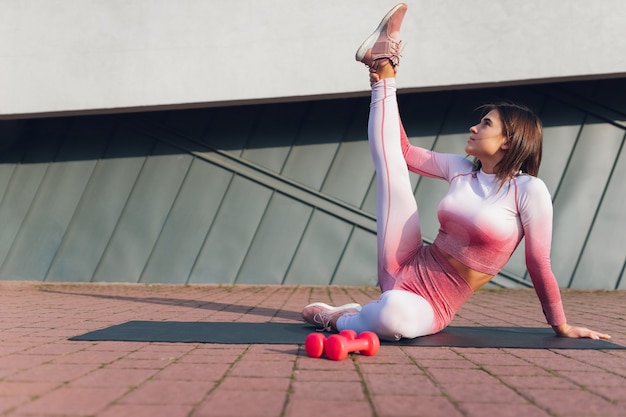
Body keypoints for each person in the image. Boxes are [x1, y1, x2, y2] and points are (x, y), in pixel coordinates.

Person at [301, 3, 611, 342]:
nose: (474, 128)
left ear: (509, 142)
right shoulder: (462, 170)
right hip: (404, 262)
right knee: (392, 168)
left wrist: (560, 324)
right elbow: (401, 152)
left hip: (433, 303)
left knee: (392, 317)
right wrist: (384, 90)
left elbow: (539, 264)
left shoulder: (528, 191)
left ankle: (341, 319)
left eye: (486, 123)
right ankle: (384, 68)